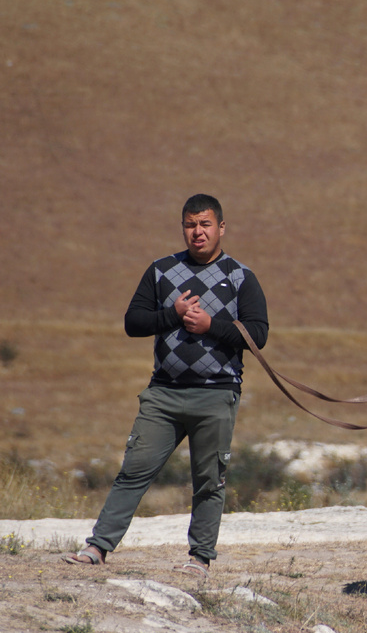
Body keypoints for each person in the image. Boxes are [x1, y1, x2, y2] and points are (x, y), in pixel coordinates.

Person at [63, 194, 268, 576]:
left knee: (209, 481)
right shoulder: (161, 271)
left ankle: (200, 559)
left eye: (205, 224)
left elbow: (259, 333)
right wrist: (172, 316)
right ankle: (97, 548)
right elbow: (133, 323)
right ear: (183, 228)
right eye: (190, 224)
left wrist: (211, 327)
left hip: (217, 394)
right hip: (163, 394)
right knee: (133, 470)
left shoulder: (240, 277)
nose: (198, 232)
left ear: (221, 228)